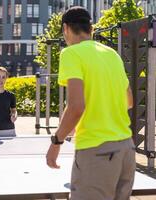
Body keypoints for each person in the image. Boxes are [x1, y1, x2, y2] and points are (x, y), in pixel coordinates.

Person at [46, 6, 135, 200]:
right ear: (91, 28)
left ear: (65, 29)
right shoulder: (112, 55)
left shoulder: (71, 54)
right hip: (126, 150)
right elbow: (129, 101)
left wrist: (56, 142)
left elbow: (77, 107)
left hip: (97, 153)